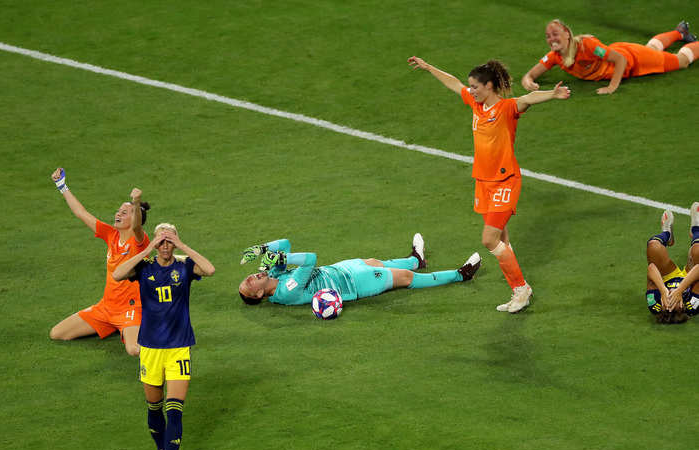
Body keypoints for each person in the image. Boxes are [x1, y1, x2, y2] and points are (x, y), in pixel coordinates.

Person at [407, 56, 570, 312]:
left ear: (489, 86)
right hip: (483, 182)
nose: (471, 91)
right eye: (471, 87)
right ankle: (517, 290)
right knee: (501, 238)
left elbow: (526, 100)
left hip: (505, 181)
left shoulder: (506, 108)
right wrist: (429, 68)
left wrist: (553, 94)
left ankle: (521, 289)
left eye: (475, 87)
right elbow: (453, 84)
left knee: (489, 238)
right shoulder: (475, 104)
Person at [112, 223, 215, 450]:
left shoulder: (185, 266)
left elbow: (210, 269)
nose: (165, 245)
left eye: (169, 239)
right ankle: (160, 449)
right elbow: (117, 275)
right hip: (150, 349)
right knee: (154, 406)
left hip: (179, 347)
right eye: (162, 239)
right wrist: (147, 247)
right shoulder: (145, 267)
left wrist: (182, 245)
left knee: (175, 411)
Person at [48, 167, 151, 356]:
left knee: (134, 350)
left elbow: (137, 226)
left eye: (124, 212)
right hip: (105, 308)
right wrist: (62, 186)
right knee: (57, 333)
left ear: (135, 217)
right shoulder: (110, 234)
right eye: (118, 211)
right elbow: (81, 213)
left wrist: (135, 202)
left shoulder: (139, 241)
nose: (118, 214)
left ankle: (153, 337)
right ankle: (113, 327)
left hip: (130, 309)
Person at [238, 234, 480, 306]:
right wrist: (280, 256)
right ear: (260, 295)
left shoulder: (275, 276)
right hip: (354, 284)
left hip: (342, 269)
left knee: (375, 260)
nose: (250, 277)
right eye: (250, 284)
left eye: (247, 277)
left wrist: (261, 248)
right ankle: (462, 274)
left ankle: (417, 259)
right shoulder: (286, 291)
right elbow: (310, 259)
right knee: (406, 279)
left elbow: (286, 243)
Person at [522, 19, 699, 95]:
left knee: (681, 62)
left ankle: (681, 34)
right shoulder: (554, 56)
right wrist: (528, 81)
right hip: (627, 54)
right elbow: (529, 75)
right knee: (652, 48)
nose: (552, 39)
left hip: (633, 59)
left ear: (567, 34)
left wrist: (612, 87)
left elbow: (620, 60)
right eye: (548, 36)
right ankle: (679, 32)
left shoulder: (587, 46)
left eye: (555, 34)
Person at [646, 205, 699, 324]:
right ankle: (696, 229)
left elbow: (651, 268)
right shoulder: (692, 305)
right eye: (673, 302)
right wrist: (680, 290)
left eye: (667, 303)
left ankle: (667, 234)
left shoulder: (654, 304)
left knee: (653, 246)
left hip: (667, 276)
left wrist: (663, 290)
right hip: (690, 277)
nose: (670, 298)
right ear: (681, 306)